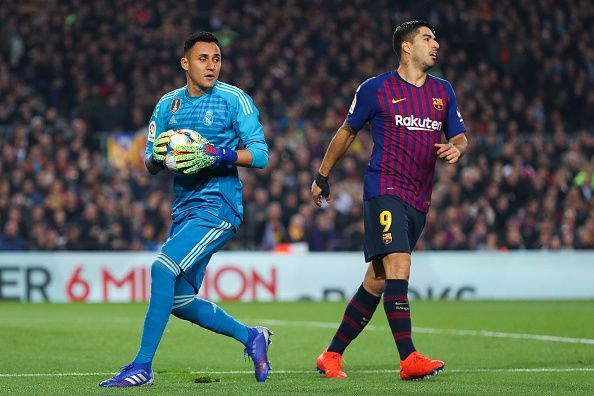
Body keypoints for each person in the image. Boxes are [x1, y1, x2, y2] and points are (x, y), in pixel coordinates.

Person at [100, 32, 271, 387]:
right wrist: (161, 156)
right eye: (203, 58)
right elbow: (148, 161)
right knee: (178, 299)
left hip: (219, 206)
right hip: (184, 211)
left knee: (162, 267)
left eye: (217, 59)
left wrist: (219, 154)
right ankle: (252, 336)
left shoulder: (233, 99)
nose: (211, 65)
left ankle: (142, 366)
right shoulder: (167, 106)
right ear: (185, 63)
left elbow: (261, 154)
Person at [311, 20, 468, 381]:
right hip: (384, 189)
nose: (436, 44)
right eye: (428, 38)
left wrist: (455, 148)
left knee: (377, 280)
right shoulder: (375, 88)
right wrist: (322, 175)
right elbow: (347, 131)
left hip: (418, 199)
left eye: (436, 38)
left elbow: (461, 137)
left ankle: (330, 354)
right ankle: (408, 358)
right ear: (406, 47)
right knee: (399, 264)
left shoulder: (443, 92)